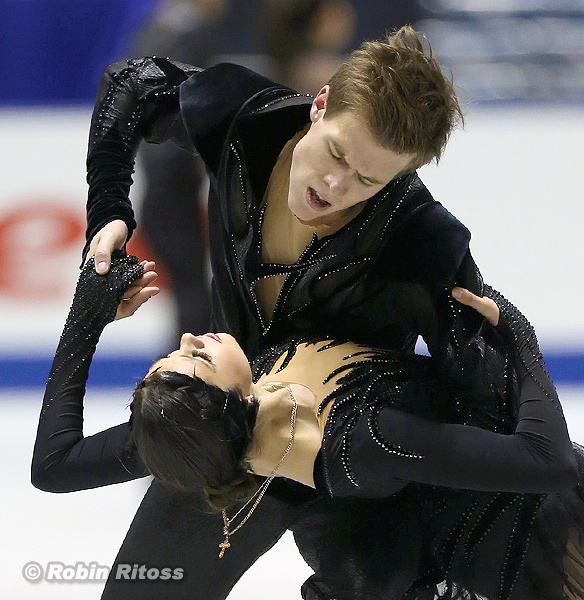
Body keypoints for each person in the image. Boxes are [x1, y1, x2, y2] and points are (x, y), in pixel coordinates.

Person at [76, 25, 542, 598]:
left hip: (348, 468)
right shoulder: (249, 120)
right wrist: (108, 210)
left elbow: (482, 390)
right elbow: (131, 84)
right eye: (337, 153)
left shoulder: (421, 238)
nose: (333, 182)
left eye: (366, 179)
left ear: (399, 177)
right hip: (230, 430)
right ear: (319, 106)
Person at [32, 252, 584, 600]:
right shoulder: (358, 442)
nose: (189, 339)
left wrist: (88, 312)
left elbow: (53, 466)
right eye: (195, 361)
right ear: (229, 403)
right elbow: (548, 463)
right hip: (537, 539)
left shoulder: (193, 429)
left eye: (176, 354)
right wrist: (520, 333)